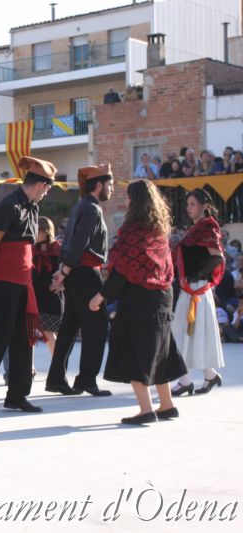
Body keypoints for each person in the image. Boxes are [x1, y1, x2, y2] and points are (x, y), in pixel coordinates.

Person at [88, 180, 186, 424]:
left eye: (130, 197)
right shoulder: (159, 231)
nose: (127, 201)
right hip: (163, 297)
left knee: (135, 353)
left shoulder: (133, 232)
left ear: (137, 201)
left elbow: (122, 270)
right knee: (159, 352)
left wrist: (100, 297)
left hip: (140, 300)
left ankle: (146, 409)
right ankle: (166, 405)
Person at [0, 156, 55, 413]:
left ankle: (17, 394)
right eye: (48, 188)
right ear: (40, 184)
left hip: (23, 279)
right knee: (3, 334)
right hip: (4, 279)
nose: (47, 193)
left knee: (23, 336)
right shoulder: (8, 206)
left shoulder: (33, 208)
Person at [46, 164, 114, 397]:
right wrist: (64, 271)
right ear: (99, 184)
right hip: (86, 273)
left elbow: (68, 243)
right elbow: (79, 243)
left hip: (76, 272)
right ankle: (86, 379)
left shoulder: (79, 206)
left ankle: (56, 378)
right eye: (110, 183)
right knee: (97, 328)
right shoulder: (93, 209)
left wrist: (63, 271)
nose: (111, 188)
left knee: (69, 327)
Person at [171, 189, 226, 396]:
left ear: (203, 205)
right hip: (192, 288)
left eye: (192, 204)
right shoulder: (197, 228)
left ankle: (186, 381)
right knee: (190, 333)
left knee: (184, 332)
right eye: (188, 204)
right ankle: (209, 376)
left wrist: (197, 276)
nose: (188, 208)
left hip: (198, 289)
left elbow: (217, 257)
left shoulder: (208, 227)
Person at [32, 217, 63, 360]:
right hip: (34, 296)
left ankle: (57, 366)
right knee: (29, 331)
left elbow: (68, 271)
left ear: (45, 232)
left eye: (36, 230)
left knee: (49, 333)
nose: (33, 233)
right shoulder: (31, 250)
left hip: (52, 297)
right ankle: (29, 367)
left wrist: (63, 284)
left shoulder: (59, 250)